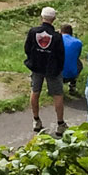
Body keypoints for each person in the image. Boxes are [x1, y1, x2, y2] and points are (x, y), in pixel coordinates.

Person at [25, 7, 68, 135]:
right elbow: (61, 54)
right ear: (54, 19)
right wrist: (59, 68)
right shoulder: (56, 36)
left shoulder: (33, 32)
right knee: (57, 94)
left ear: (41, 17)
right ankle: (60, 124)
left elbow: (27, 48)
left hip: (36, 66)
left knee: (35, 91)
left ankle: (36, 120)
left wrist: (32, 59)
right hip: (52, 69)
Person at [61, 23, 85, 98]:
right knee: (78, 63)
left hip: (56, 75)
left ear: (61, 31)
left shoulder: (56, 40)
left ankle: (53, 88)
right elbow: (77, 56)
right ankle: (72, 86)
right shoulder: (78, 42)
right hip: (72, 74)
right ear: (71, 32)